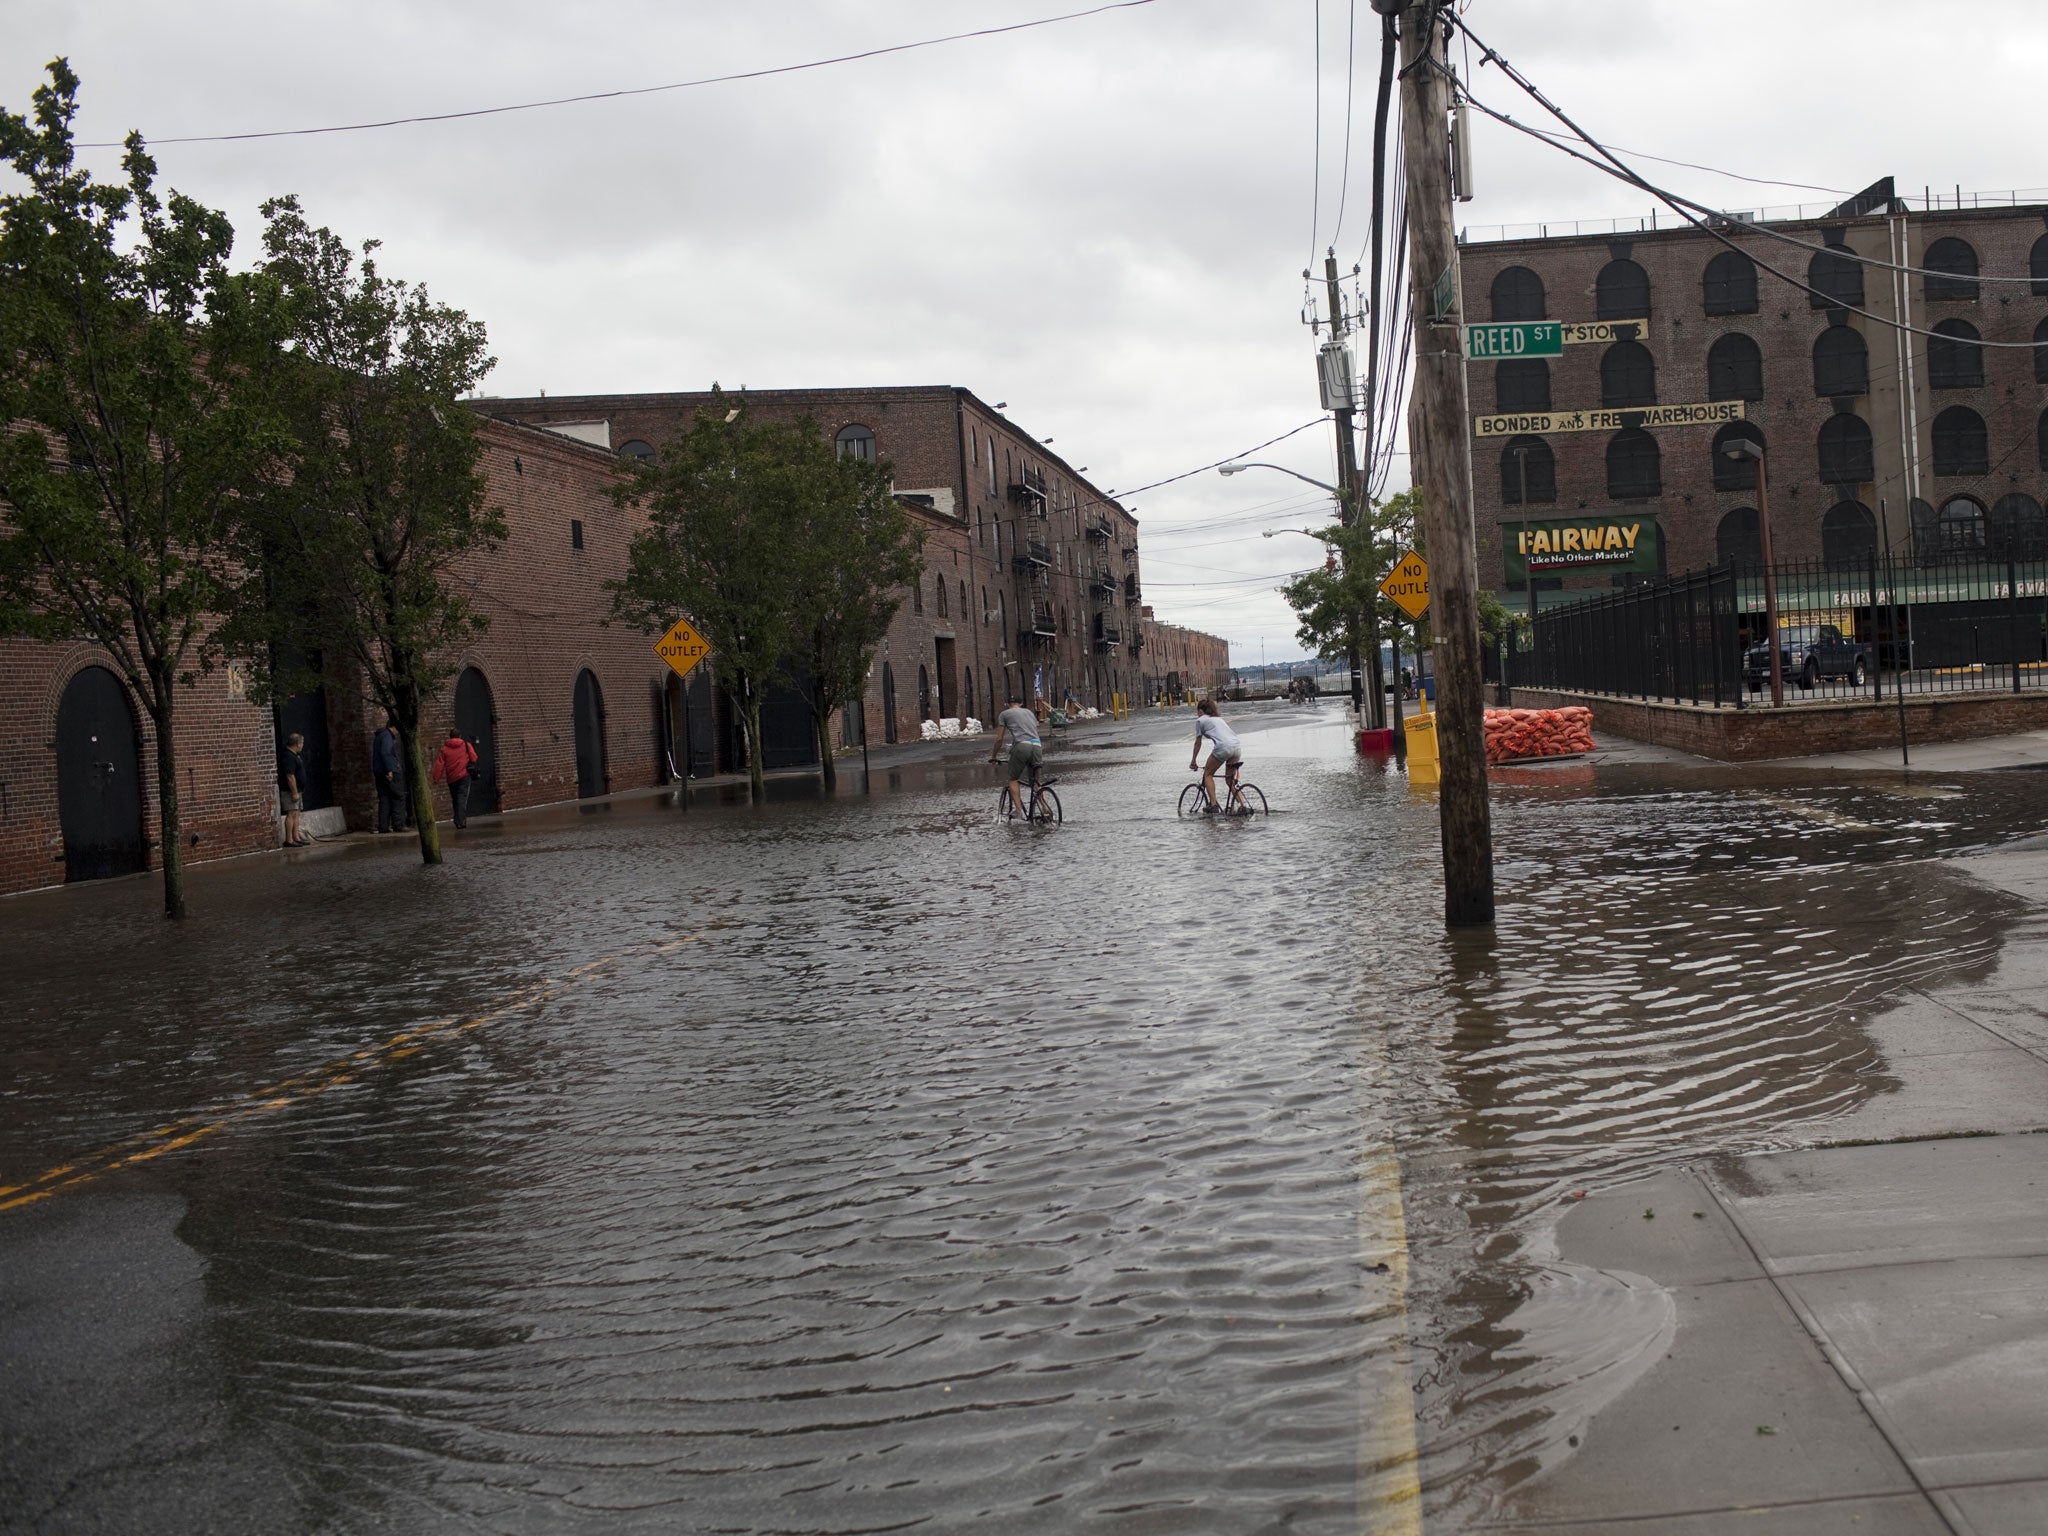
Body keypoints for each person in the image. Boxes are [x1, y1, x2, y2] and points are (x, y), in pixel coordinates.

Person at [988, 689, 1044, 818]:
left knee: (1013, 779)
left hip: (1022, 746)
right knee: (1036, 782)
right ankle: (1046, 810)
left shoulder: (1004, 714)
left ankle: (1018, 811)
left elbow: (999, 739)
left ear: (1008, 703)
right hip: (1037, 745)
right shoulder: (1029, 713)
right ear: (1021, 703)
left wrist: (994, 756)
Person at [1188, 698, 1242, 812]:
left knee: (1208, 774)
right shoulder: (1218, 719)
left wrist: (1193, 761)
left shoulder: (1200, 721)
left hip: (1223, 747)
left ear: (1201, 711)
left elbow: (1198, 742)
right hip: (1236, 747)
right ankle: (1243, 806)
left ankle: (1213, 805)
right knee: (1230, 780)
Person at [430, 727, 479, 828]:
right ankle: (460, 822)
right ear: (460, 736)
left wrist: (436, 779)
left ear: (450, 737)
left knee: (455, 799)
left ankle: (457, 820)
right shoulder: (466, 745)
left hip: (451, 778)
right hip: (464, 776)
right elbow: (474, 758)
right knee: (462, 798)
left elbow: (440, 765)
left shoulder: (444, 749)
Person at [372, 711, 408, 834]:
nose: (397, 733)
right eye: (397, 730)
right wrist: (390, 770)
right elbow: (386, 753)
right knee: (398, 796)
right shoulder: (387, 736)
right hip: (390, 771)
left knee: (384, 798)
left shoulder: (379, 736)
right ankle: (399, 825)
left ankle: (383, 826)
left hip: (378, 772)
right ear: (393, 727)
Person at [277, 732, 311, 846]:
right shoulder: (288, 756)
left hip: (298, 790)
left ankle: (296, 837)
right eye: (301, 743)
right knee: (291, 813)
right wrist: (294, 792)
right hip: (290, 791)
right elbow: (290, 776)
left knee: (296, 813)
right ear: (297, 743)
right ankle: (289, 840)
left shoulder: (295, 756)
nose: (302, 746)